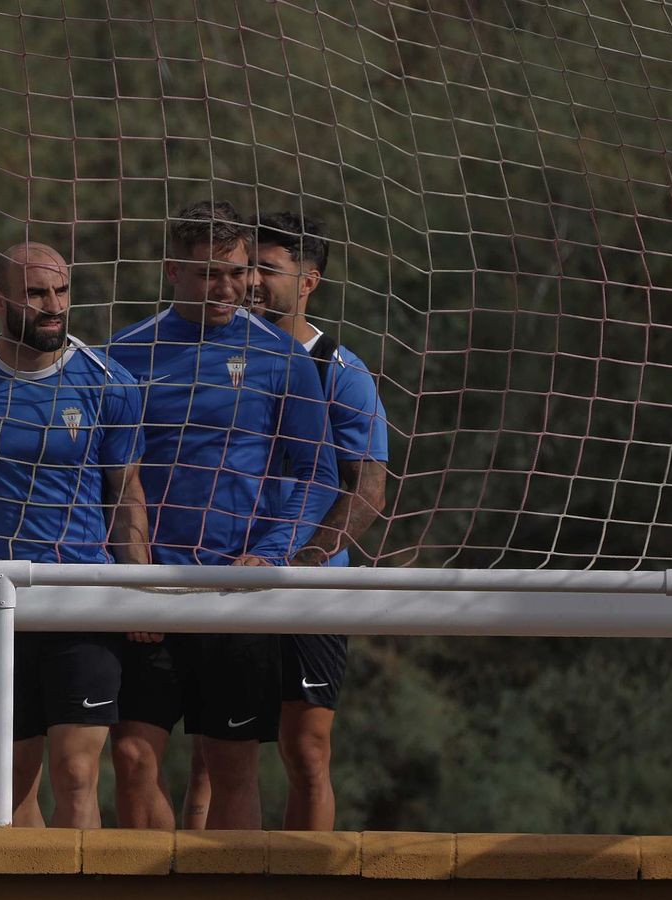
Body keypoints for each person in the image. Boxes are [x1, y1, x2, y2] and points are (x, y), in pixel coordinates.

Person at [107, 201, 337, 830]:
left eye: (239, 273)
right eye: (211, 274)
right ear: (172, 270)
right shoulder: (122, 356)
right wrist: (128, 567)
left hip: (238, 590)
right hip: (148, 589)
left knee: (230, 766)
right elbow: (103, 476)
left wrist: (271, 554)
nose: (231, 288)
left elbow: (320, 473)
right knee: (132, 758)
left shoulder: (280, 358)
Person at [0, 242, 148, 828]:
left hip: (81, 600)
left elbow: (126, 496)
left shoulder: (107, 383)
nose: (54, 306)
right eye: (37, 293)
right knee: (11, 785)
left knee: (77, 775)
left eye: (62, 291)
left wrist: (142, 584)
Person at [248, 211, 389, 830]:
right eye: (245, 266)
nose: (250, 280)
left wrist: (300, 562)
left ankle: (307, 879)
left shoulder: (343, 370)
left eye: (267, 269)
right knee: (213, 757)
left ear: (309, 281)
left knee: (306, 751)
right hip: (224, 567)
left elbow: (368, 489)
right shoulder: (224, 359)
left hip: (310, 583)